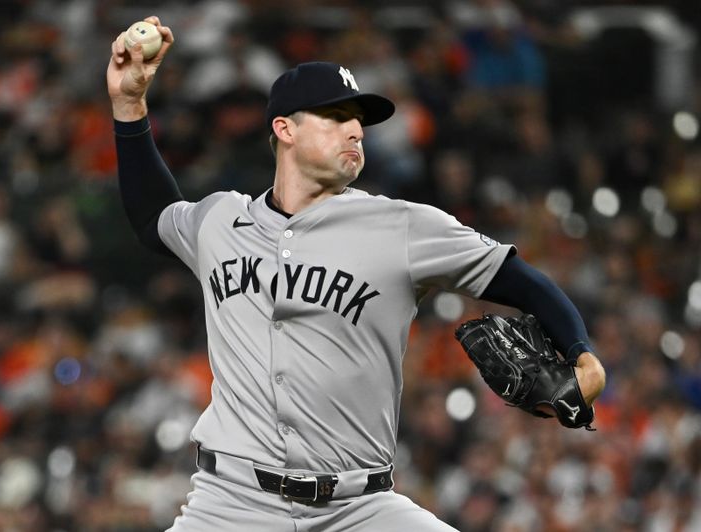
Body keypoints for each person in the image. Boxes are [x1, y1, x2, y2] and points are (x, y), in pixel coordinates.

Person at [107, 16, 606, 532]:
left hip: (359, 507)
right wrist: (129, 107)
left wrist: (584, 357)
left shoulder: (402, 226)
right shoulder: (218, 219)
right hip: (229, 504)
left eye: (358, 120)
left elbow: (523, 282)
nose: (355, 130)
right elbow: (152, 218)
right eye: (335, 116)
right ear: (285, 129)